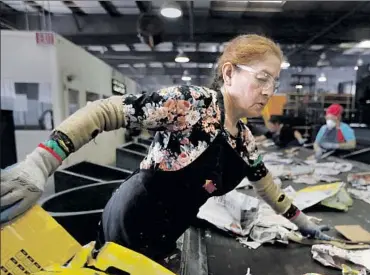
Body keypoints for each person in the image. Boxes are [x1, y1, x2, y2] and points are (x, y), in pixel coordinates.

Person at [0, 34, 328, 263]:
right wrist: (42, 161)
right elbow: (106, 111)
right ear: (229, 73)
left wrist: (303, 223)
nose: (269, 90)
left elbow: (267, 185)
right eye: (261, 78)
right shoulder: (193, 105)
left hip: (166, 234)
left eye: (274, 82)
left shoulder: (242, 139)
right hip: (129, 225)